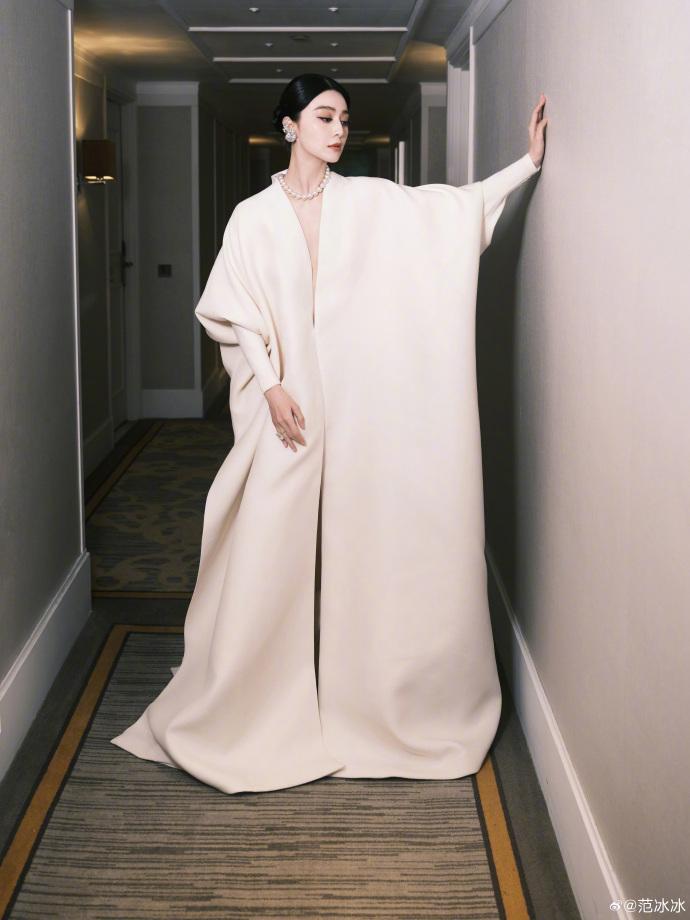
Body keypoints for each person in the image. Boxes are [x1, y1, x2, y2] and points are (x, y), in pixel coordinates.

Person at [111, 73, 549, 795]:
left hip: (359, 401)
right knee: (271, 547)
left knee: (360, 538)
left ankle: (355, 699)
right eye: (324, 117)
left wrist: (526, 165)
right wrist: (272, 386)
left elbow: (451, 212)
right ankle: (253, 705)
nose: (339, 129)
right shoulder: (253, 217)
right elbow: (236, 311)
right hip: (288, 406)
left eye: (344, 118)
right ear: (290, 125)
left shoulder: (366, 201)